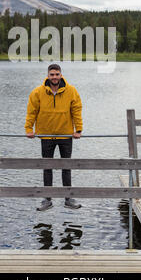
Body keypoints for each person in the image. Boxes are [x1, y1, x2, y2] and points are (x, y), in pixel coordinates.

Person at [25, 63, 83, 211]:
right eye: (52, 74)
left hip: (65, 135)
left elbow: (76, 110)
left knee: (66, 166)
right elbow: (32, 111)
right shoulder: (37, 92)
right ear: (48, 76)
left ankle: (68, 198)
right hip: (46, 136)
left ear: (61, 75)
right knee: (47, 167)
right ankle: (47, 199)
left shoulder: (71, 91)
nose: (55, 77)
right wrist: (28, 128)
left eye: (57, 74)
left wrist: (79, 129)